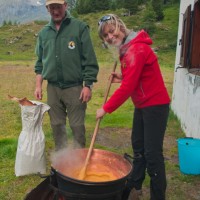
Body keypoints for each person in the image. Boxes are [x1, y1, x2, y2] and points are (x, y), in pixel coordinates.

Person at [96, 14, 170, 200]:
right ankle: (135, 186)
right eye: (106, 36)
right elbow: (136, 77)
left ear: (119, 26)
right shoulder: (127, 49)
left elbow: (128, 87)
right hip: (143, 105)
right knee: (138, 146)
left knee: (152, 155)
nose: (110, 37)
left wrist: (106, 108)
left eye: (111, 31)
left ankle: (158, 196)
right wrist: (122, 77)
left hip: (155, 106)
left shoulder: (136, 48)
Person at [34, 0, 99, 151]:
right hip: (53, 88)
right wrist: (38, 85)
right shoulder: (44, 33)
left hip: (75, 87)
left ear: (65, 6)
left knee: (77, 126)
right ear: (47, 9)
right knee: (57, 125)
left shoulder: (79, 28)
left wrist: (88, 85)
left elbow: (89, 59)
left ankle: (80, 159)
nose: (55, 11)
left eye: (58, 7)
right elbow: (39, 63)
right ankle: (62, 162)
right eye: (51, 7)